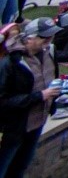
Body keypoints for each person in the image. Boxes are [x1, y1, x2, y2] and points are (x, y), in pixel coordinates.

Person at [0, 18, 59, 178]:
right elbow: (2, 101)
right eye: (44, 37)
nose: (49, 41)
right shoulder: (11, 62)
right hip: (13, 127)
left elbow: (53, 78)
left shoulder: (49, 52)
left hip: (37, 122)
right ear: (30, 38)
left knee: (20, 167)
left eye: (51, 36)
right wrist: (40, 96)